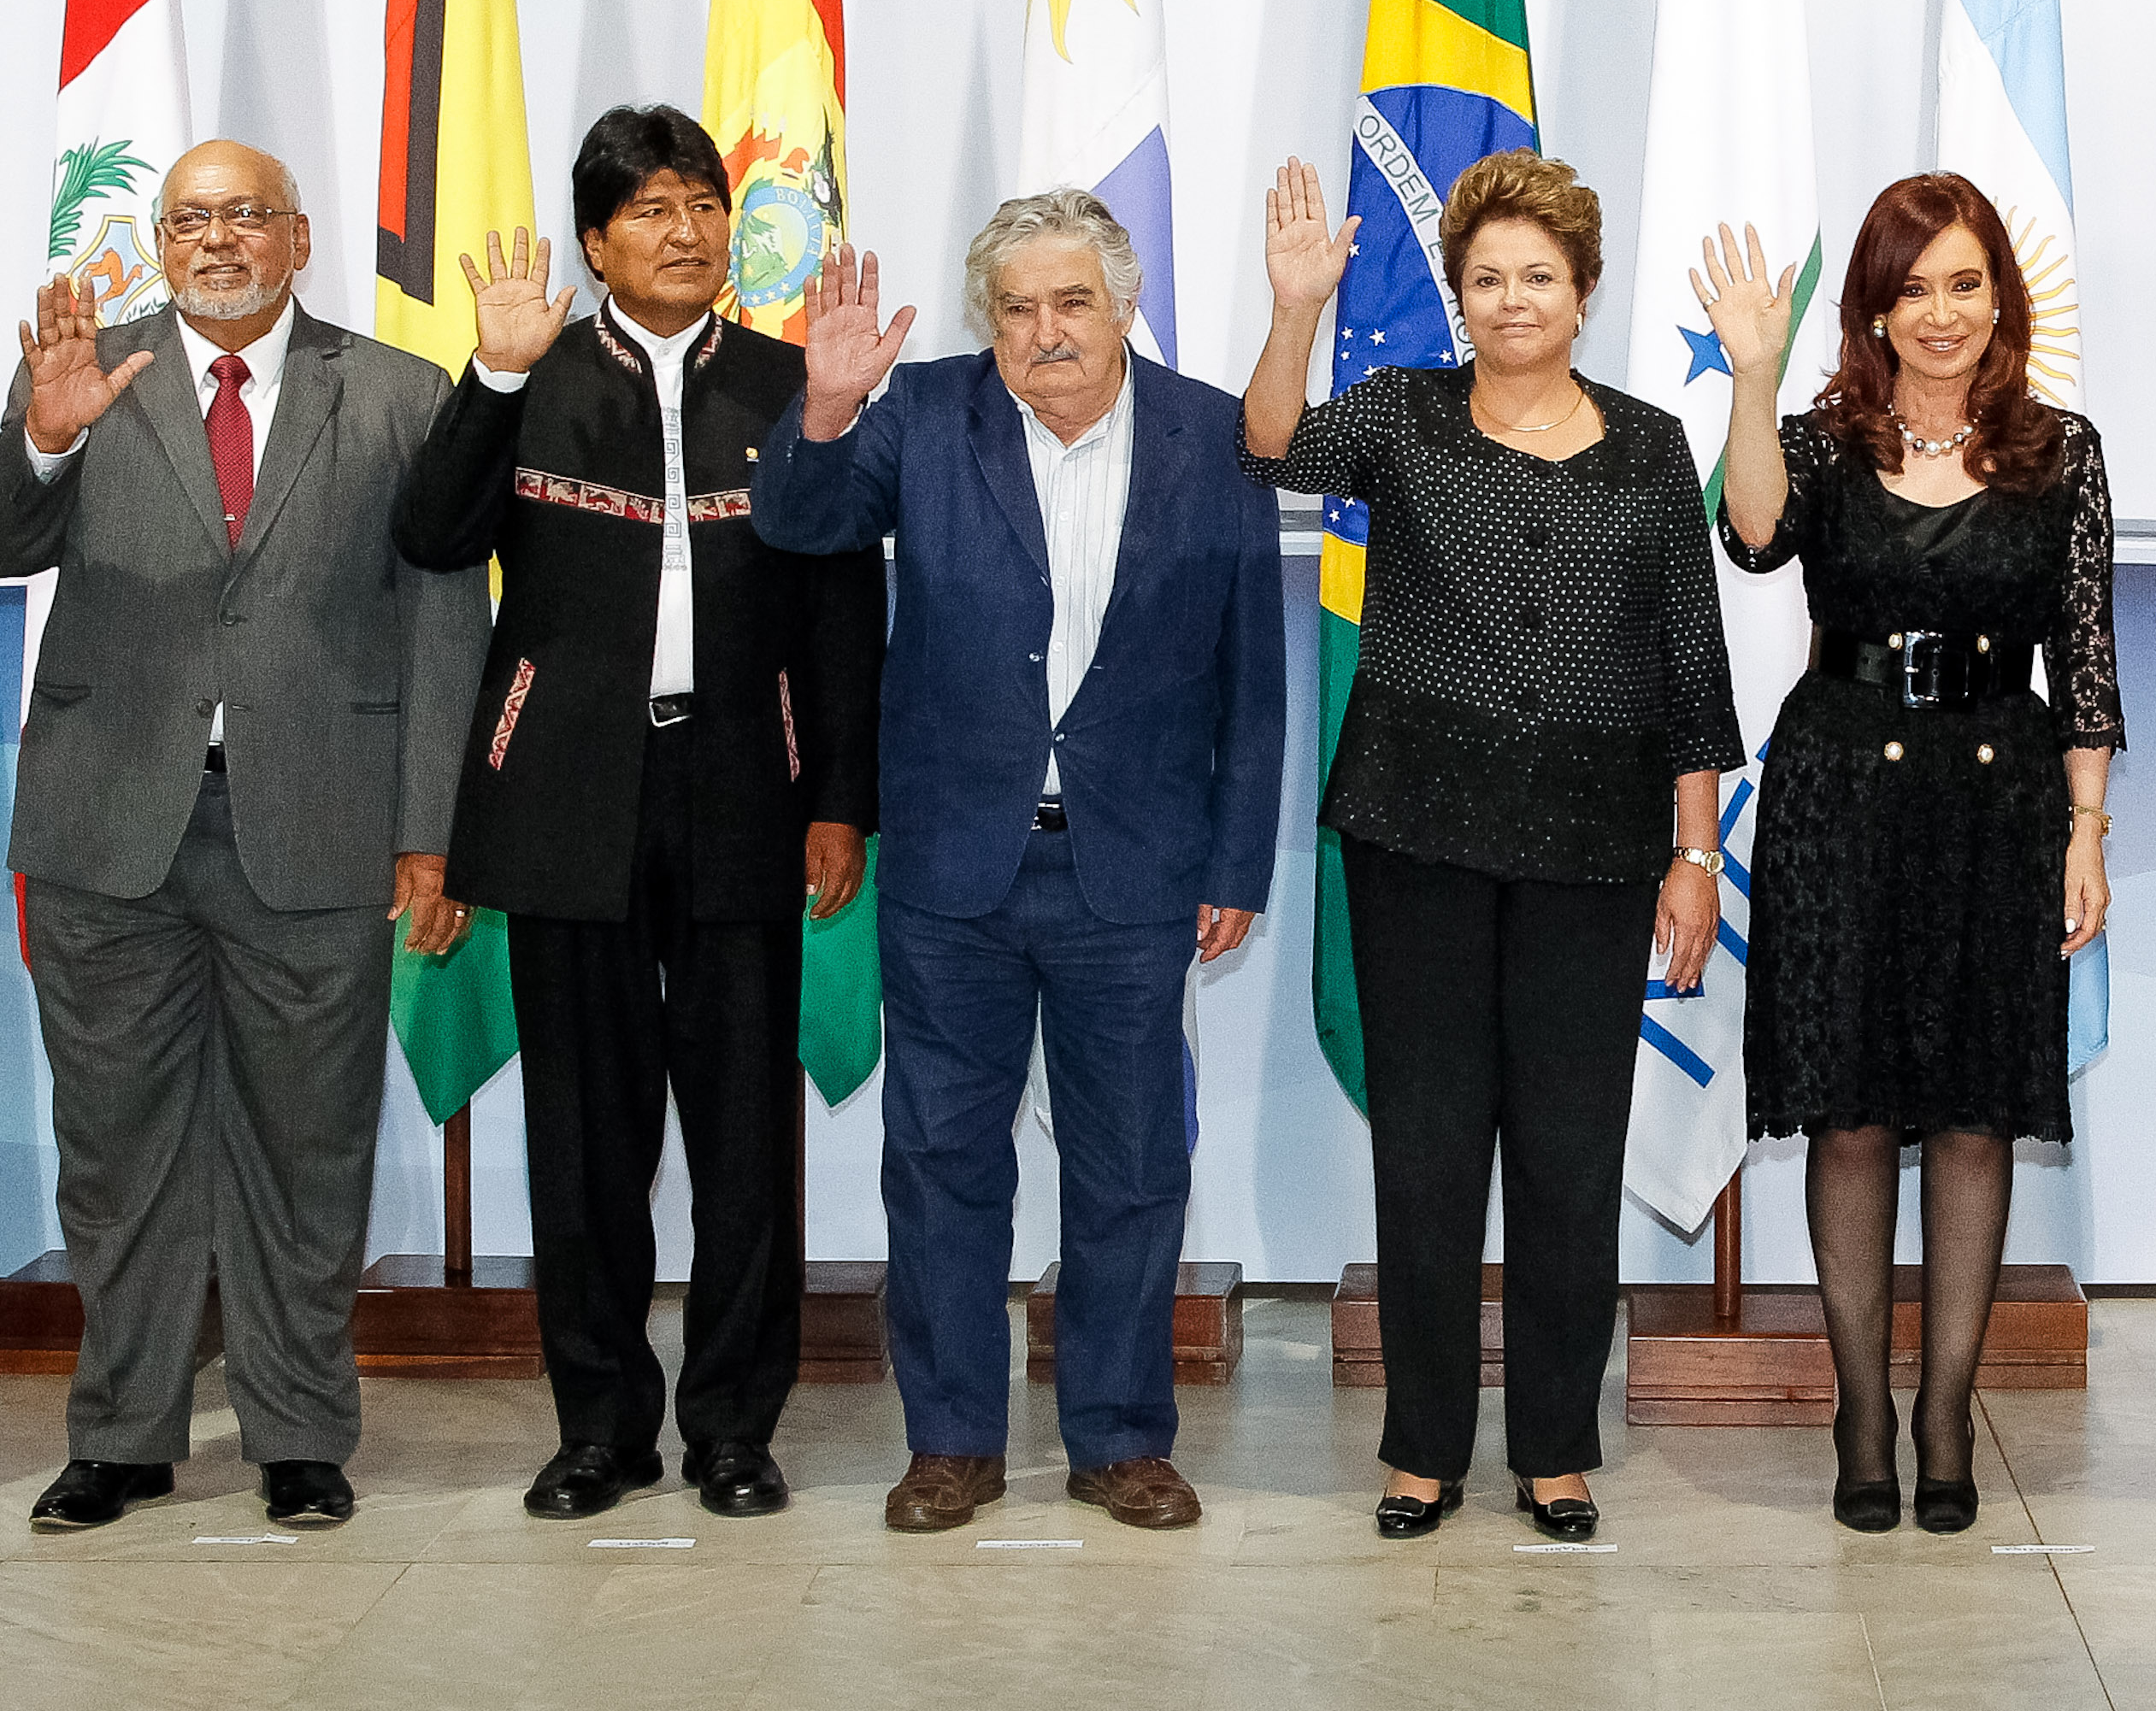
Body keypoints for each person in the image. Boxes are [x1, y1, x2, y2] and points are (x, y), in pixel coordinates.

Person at [755, 188, 1281, 1535]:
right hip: (953, 865)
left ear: (1123, 304)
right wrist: (823, 407)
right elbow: (796, 525)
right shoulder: (924, 414)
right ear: (988, 321)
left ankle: (1117, 1436)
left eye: (1072, 302)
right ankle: (950, 1441)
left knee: (1130, 1162)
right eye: (1017, 308)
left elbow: (1249, 670)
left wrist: (1237, 857)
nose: (1046, 331)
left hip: (1136, 867)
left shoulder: (1211, 431)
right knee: (938, 1158)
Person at [392, 104, 886, 1522]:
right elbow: (432, 536)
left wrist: (839, 795)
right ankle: (598, 1425)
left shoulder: (798, 382)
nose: (686, 232)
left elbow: (845, 606)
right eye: (653, 210)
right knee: (586, 1140)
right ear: (596, 241)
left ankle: (735, 1424)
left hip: (748, 791)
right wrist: (488, 371)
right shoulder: (530, 378)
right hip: (561, 800)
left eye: (705, 205)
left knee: (743, 1141)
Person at [1242, 150, 1742, 1543]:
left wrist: (1694, 856)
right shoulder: (1398, 413)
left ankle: (1556, 1447)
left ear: (1582, 290)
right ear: (1455, 296)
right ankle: (1421, 1447)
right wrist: (1294, 307)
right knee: (1429, 1147)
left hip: (1596, 843)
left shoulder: (1648, 443)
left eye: (1537, 275)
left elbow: (1690, 668)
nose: (1511, 298)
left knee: (1571, 1153)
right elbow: (1272, 446)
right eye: (1484, 278)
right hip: (1418, 831)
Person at [3, 139, 488, 1532]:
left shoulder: (396, 393)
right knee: (115, 1151)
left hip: (319, 827)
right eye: (189, 218)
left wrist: (429, 830)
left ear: (300, 236)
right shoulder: (88, 370)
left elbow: (444, 622)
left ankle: (296, 1431)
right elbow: (6, 535)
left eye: (245, 216)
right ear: (160, 240)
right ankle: (124, 1433)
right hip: (109, 825)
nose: (216, 240)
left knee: (307, 1145)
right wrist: (43, 434)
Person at [1697, 174, 2119, 1535]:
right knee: (1856, 1106)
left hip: (2001, 799)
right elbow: (1754, 538)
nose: (1939, 313)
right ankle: (1860, 1409)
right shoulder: (1821, 439)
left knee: (1977, 1108)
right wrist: (1752, 380)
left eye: (1963, 282)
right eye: (1911, 287)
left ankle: (1944, 1409)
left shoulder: (2063, 447)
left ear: (2001, 292)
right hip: (1842, 792)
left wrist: (2088, 833)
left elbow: (2090, 662)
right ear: (1873, 305)